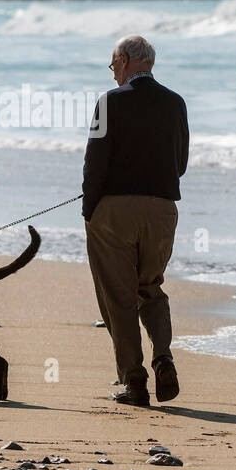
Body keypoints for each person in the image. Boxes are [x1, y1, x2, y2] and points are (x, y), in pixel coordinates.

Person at [82, 35, 189, 406]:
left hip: (114, 211)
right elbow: (181, 164)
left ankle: (135, 381)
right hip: (162, 210)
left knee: (118, 296)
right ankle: (163, 356)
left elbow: (94, 162)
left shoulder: (109, 102)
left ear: (125, 60)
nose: (113, 75)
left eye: (113, 66)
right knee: (150, 287)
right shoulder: (176, 103)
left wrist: (89, 209)